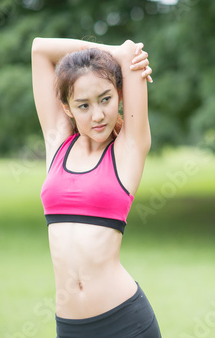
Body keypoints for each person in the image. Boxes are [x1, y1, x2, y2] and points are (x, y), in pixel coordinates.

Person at [31, 37, 161, 337]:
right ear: (66, 108)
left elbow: (130, 59)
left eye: (106, 99)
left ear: (119, 95)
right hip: (70, 326)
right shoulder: (58, 143)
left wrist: (122, 56)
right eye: (83, 106)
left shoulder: (129, 149)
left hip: (126, 322)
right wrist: (112, 52)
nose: (98, 115)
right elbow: (39, 49)